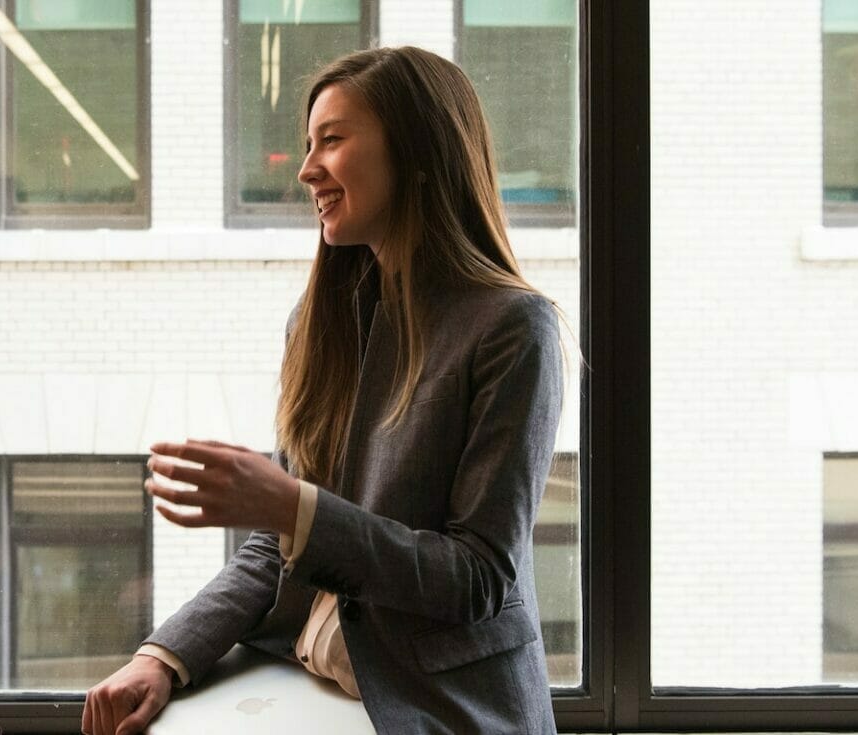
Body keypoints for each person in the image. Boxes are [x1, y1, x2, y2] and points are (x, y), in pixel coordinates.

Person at [83, 46, 567, 734]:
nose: (307, 169)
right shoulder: (321, 323)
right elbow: (274, 546)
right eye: (309, 145)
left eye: (332, 140)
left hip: (439, 704)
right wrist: (162, 654)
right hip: (310, 685)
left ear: (417, 147)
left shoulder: (514, 328)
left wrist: (293, 506)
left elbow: (478, 577)